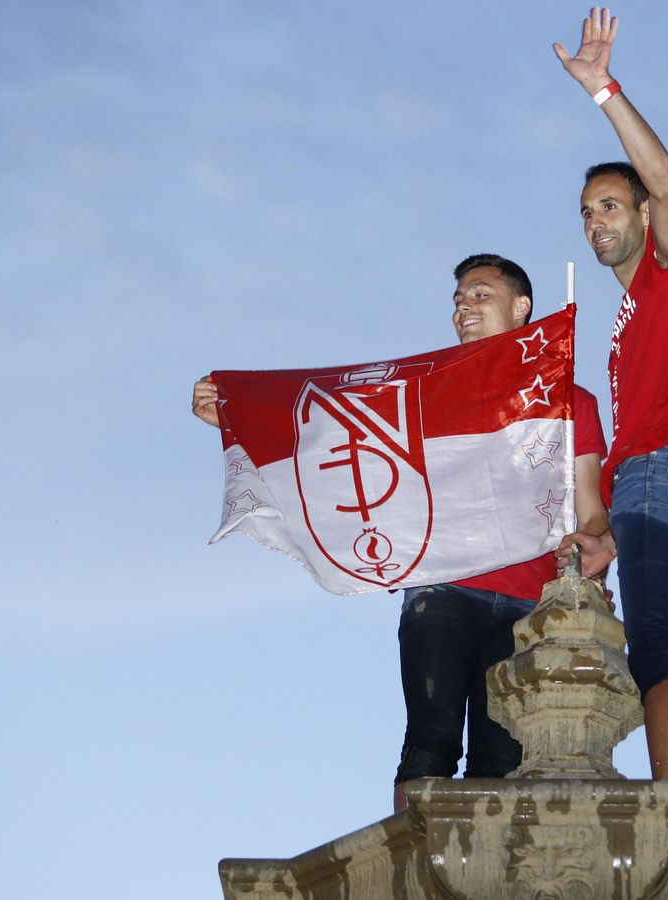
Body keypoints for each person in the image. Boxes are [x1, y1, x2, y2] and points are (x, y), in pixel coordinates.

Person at [191, 254, 611, 813]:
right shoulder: (425, 396)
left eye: (480, 295)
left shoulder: (568, 402)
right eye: (458, 299)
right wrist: (243, 417)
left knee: (505, 758)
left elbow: (591, 508)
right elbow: (331, 424)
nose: (464, 306)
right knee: (431, 739)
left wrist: (598, 545)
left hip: (530, 604)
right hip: (443, 591)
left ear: (521, 308)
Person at [552, 7, 668, 825]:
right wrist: (608, 537)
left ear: (637, 212)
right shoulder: (631, 324)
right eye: (588, 213)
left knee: (661, 653)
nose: (598, 222)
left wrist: (604, 93)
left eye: (609, 205)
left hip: (667, 477)